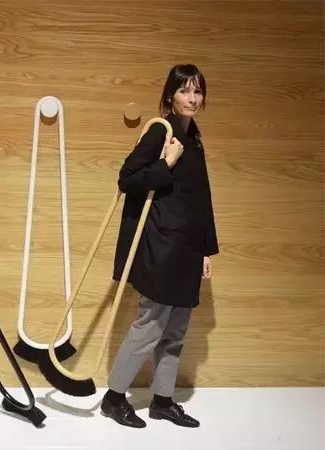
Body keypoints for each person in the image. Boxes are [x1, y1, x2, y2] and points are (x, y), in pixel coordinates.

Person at [101, 64, 218, 429]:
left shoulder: (194, 137)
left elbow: (201, 197)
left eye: (197, 91)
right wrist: (166, 163)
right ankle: (113, 398)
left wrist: (206, 249)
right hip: (161, 246)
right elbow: (127, 179)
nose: (192, 98)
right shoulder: (160, 131)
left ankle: (163, 401)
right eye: (185, 91)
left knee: (176, 330)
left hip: (187, 249)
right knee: (150, 324)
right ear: (170, 95)